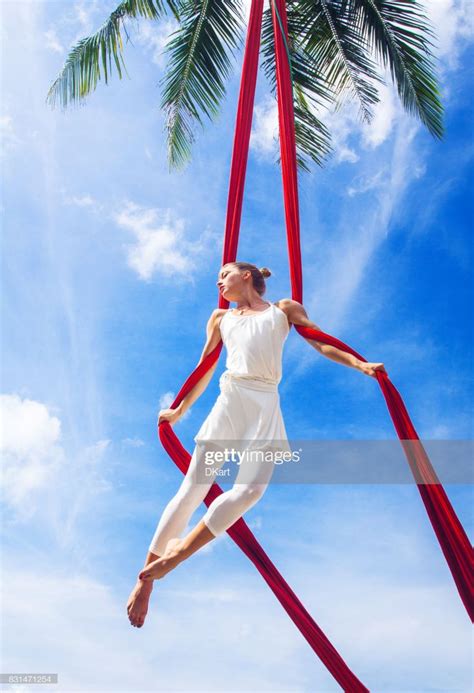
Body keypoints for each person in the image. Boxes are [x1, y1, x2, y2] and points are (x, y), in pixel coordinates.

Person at [127, 261, 386, 627]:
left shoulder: (284, 310)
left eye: (224, 274)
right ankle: (145, 582)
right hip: (232, 397)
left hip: (265, 401)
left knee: (250, 491)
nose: (218, 280)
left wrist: (359, 364)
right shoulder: (220, 318)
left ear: (246, 276)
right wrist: (179, 409)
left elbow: (322, 344)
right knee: (192, 488)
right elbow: (205, 368)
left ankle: (179, 553)